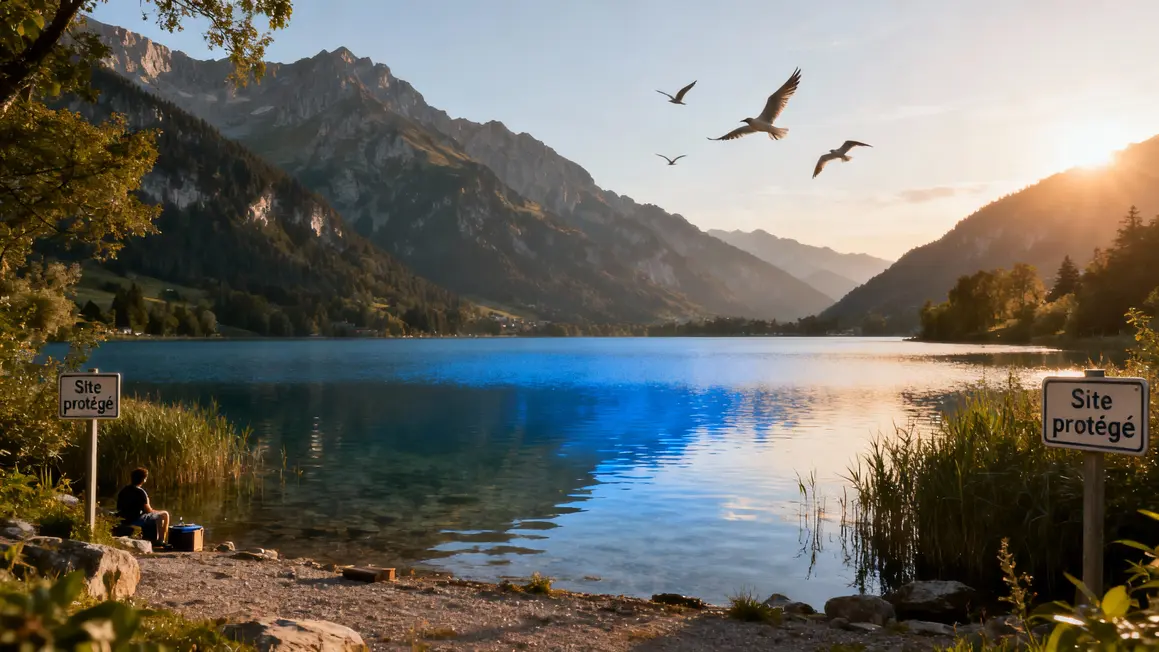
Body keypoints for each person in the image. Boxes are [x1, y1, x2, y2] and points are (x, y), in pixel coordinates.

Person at [116, 467, 170, 545]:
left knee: (152, 516)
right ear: (143, 479)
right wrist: (158, 511)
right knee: (164, 514)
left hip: (123, 518)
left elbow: (118, 507)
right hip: (135, 519)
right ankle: (161, 540)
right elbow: (148, 510)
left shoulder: (123, 490)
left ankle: (153, 538)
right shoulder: (141, 492)